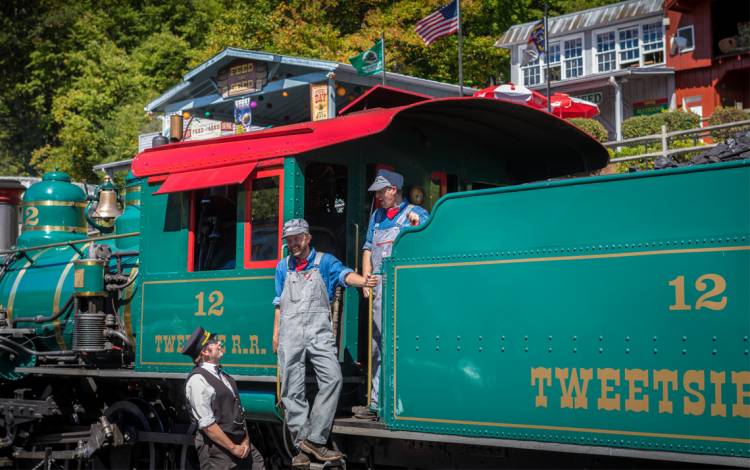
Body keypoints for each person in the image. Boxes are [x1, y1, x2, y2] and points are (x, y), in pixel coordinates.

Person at [273, 218, 376, 467]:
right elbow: (278, 302)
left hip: (319, 331)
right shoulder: (282, 267)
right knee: (291, 389)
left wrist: (363, 280)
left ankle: (314, 438)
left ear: (307, 238)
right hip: (290, 332)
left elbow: (344, 275)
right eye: (289, 240)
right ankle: (302, 446)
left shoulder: (325, 261)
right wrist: (276, 333)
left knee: (333, 378)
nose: (293, 244)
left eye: (297, 238)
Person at [355, 169, 429, 420]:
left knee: (398, 344)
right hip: (378, 287)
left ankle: (401, 400)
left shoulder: (415, 215)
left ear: (392, 190)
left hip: (403, 290)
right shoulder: (376, 217)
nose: (377, 197)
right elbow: (367, 249)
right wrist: (366, 279)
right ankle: (377, 401)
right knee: (377, 344)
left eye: (380, 192)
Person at [183, 327, 266, 470]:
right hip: (218, 451)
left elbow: (239, 411)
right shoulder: (197, 380)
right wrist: (233, 448)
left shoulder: (225, 377)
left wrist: (246, 440)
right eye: (213, 342)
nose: (219, 343)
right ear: (204, 352)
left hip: (241, 445)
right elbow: (207, 425)